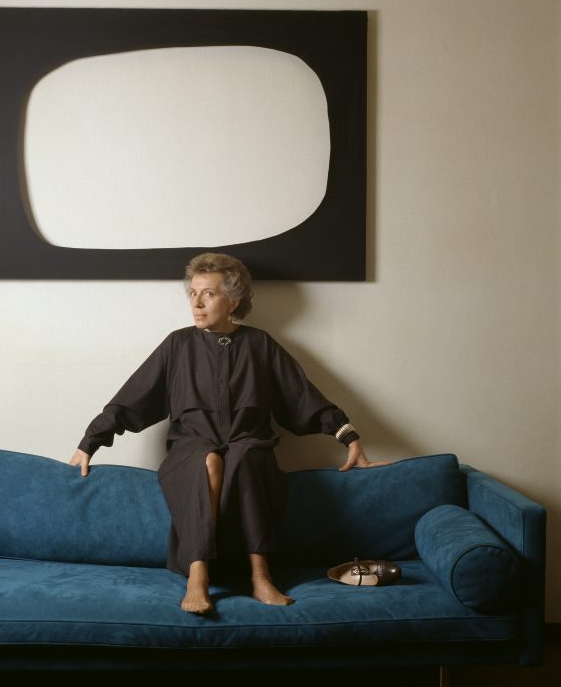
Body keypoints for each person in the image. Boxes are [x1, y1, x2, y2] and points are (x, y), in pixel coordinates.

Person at [71, 253, 389, 615]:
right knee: (207, 461)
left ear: (233, 301)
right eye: (192, 293)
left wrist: (349, 438)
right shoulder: (177, 345)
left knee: (246, 457)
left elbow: (302, 397)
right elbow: (132, 398)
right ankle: (198, 575)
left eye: (208, 294)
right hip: (189, 449)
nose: (196, 303)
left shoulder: (260, 345)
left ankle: (261, 577)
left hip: (249, 446)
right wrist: (90, 443)